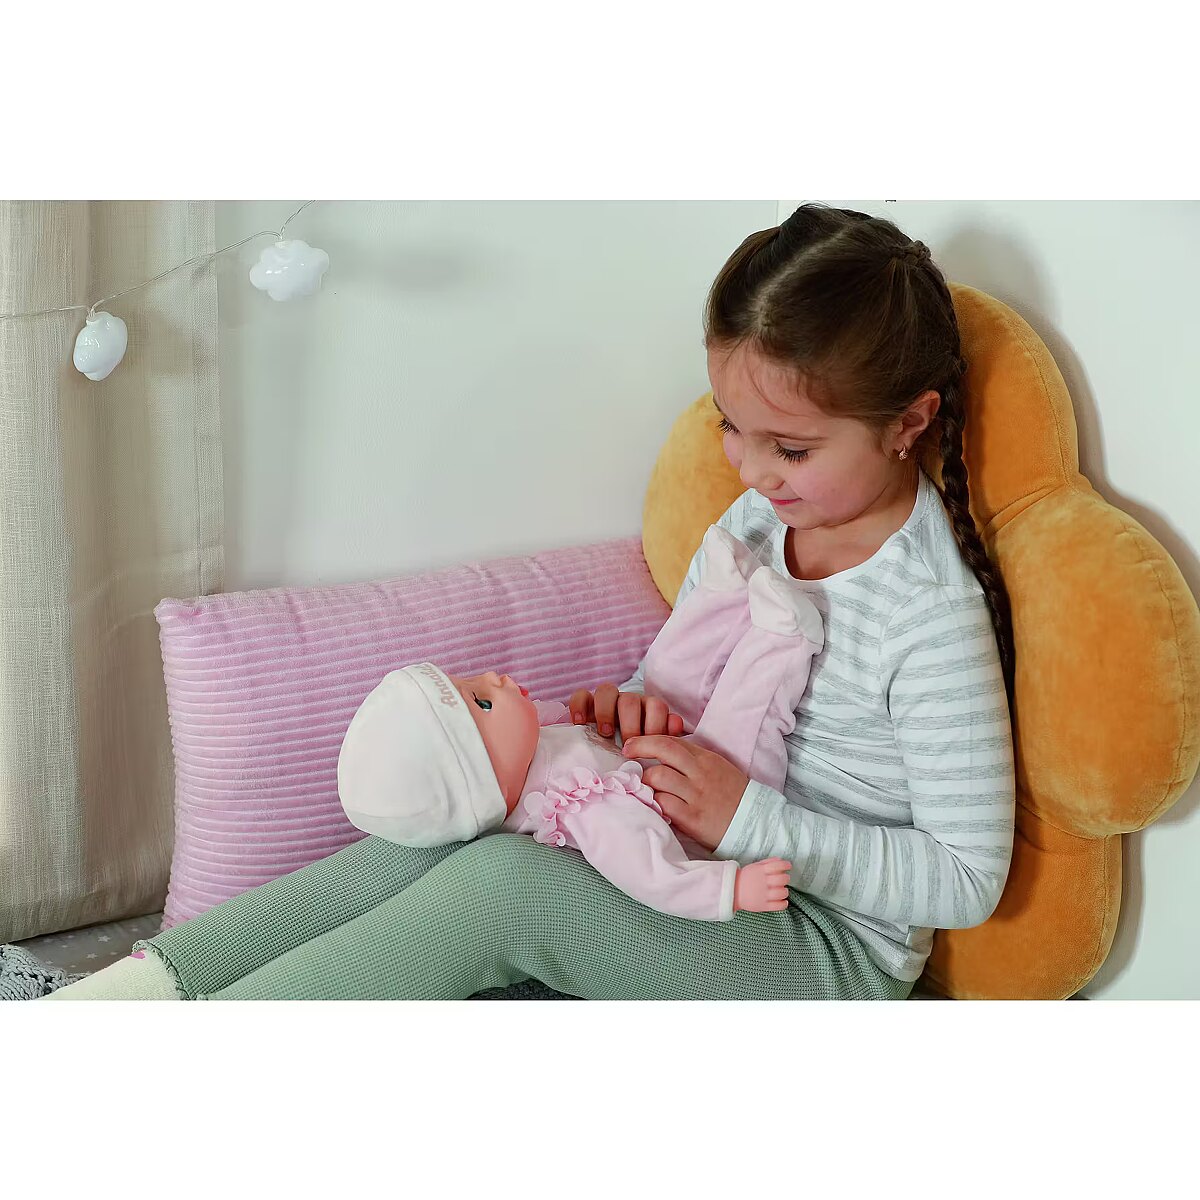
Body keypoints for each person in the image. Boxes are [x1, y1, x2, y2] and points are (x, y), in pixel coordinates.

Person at [46, 203, 1015, 1002]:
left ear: (909, 422)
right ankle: (136, 994)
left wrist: (748, 819)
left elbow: (967, 879)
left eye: (790, 449)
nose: (751, 470)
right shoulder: (761, 523)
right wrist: (639, 709)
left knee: (506, 888)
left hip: (815, 943)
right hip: (678, 846)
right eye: (733, 427)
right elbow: (690, 685)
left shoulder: (927, 617)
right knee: (466, 811)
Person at [333, 526, 825, 923]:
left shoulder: (532, 748)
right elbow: (649, 872)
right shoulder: (581, 805)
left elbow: (576, 721)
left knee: (663, 675)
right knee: (741, 721)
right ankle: (783, 640)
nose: (493, 678)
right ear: (488, 781)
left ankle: (722, 598)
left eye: (472, 681)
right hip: (710, 809)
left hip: (668, 751)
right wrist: (730, 888)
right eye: (483, 701)